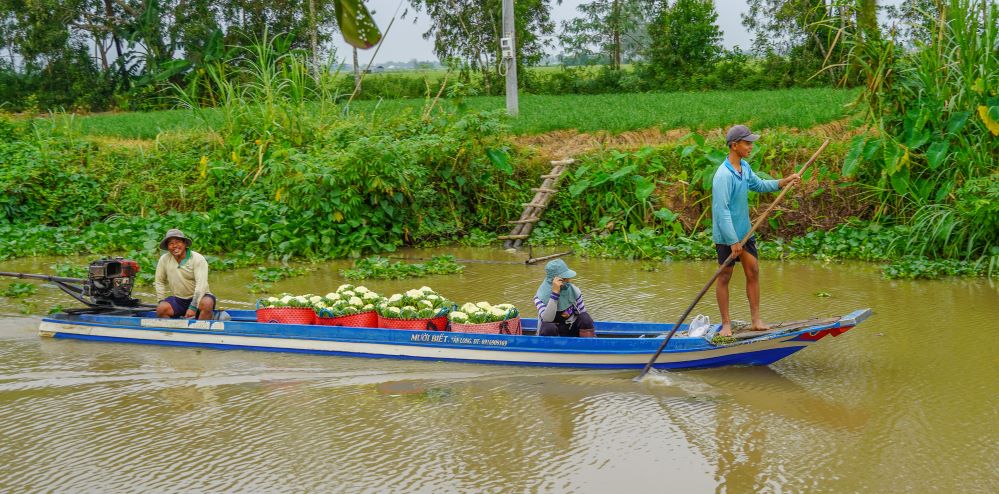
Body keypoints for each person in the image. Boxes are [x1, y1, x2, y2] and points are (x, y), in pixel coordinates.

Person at [712, 125, 800, 336]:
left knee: (753, 271)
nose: (751, 146)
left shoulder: (744, 167)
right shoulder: (723, 175)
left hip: (745, 232)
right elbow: (722, 211)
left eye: (751, 143)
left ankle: (756, 320)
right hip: (727, 235)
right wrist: (733, 241)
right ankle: (726, 324)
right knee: (724, 277)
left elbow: (760, 185)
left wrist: (783, 182)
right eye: (747, 143)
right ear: (734, 145)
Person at [154, 228, 216, 320]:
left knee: (207, 304)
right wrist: (161, 301)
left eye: (178, 242)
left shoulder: (198, 259)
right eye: (171, 243)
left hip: (201, 297)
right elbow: (159, 282)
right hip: (179, 299)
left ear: (184, 244)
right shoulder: (164, 259)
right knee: (161, 309)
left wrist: (193, 307)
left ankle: (201, 332)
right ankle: (171, 333)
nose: (174, 246)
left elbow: (201, 285)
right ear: (167, 247)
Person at [533, 259, 595, 337]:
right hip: (552, 332)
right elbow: (548, 319)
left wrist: (567, 313)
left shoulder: (574, 291)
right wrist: (555, 294)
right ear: (554, 281)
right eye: (565, 278)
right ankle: (553, 348)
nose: (569, 280)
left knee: (585, 318)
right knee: (549, 327)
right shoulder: (540, 297)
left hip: (569, 328)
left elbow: (583, 315)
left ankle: (587, 345)